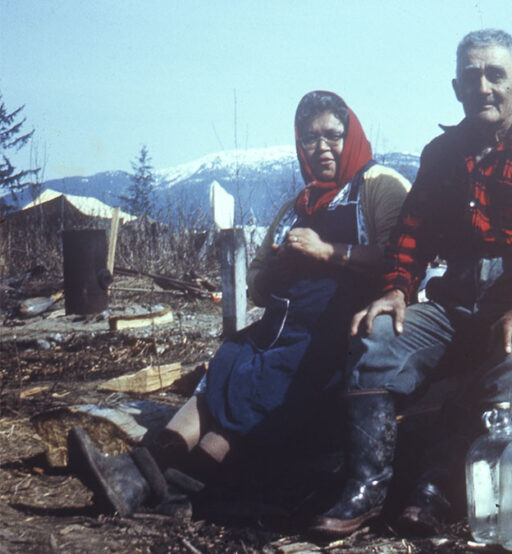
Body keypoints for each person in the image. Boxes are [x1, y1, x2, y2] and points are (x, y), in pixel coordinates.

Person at [67, 91, 411, 517]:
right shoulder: (295, 208)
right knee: (229, 365)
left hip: (337, 333)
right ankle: (143, 479)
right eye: (309, 139)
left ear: (351, 134)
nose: (321, 147)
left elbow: (403, 258)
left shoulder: (379, 186)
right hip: (284, 325)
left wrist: (329, 252)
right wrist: (278, 271)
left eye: (332, 135)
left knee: (259, 386)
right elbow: (259, 289)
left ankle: (163, 484)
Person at [310, 29, 512, 536]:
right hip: (455, 301)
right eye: (471, 76)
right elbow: (411, 234)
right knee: (376, 337)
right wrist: (396, 287)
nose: (483, 87)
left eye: (496, 75)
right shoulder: (442, 153)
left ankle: (438, 487)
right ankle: (366, 488)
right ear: (456, 87)